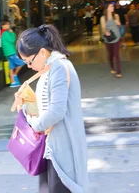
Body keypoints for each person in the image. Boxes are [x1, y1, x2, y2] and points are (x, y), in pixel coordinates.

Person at [14, 25, 89, 192]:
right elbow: (46, 106)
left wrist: (34, 125)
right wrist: (26, 103)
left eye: (29, 61)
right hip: (52, 147)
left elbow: (56, 111)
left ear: (42, 52)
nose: (29, 66)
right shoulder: (49, 68)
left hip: (63, 149)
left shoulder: (59, 68)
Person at [101, 3, 123, 78]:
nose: (113, 7)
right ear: (107, 8)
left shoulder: (116, 16)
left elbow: (119, 25)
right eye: (111, 6)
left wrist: (118, 23)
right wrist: (105, 32)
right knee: (111, 54)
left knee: (116, 54)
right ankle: (112, 67)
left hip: (116, 36)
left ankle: (118, 71)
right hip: (108, 38)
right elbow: (103, 27)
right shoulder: (103, 18)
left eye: (113, 6)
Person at [1, 19, 26, 88]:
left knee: (11, 67)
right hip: (11, 52)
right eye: (7, 24)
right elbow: (12, 40)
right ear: (3, 25)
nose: (8, 25)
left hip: (8, 53)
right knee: (22, 62)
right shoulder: (5, 33)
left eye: (9, 24)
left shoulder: (3, 33)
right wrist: (12, 33)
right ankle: (15, 75)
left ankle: (13, 82)